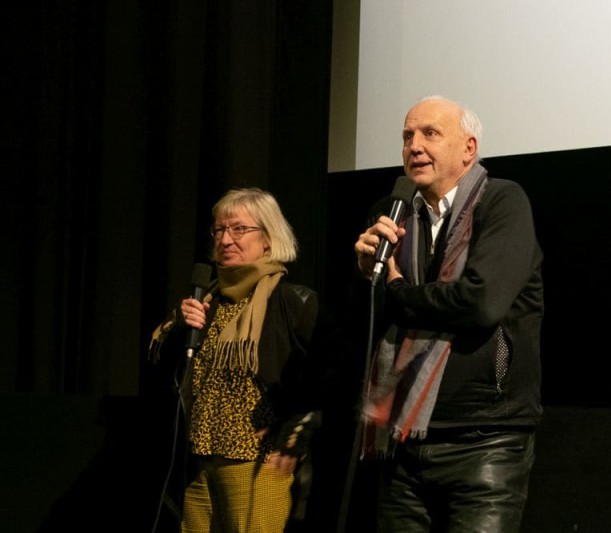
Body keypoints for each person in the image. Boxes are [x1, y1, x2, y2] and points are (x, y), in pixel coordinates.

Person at [352, 95, 545, 532]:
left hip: (485, 438)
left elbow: (479, 303)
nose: (414, 146)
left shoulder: (502, 201)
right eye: (407, 136)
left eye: (430, 134)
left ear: (468, 148)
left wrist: (398, 289)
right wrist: (367, 274)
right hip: (403, 439)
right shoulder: (391, 215)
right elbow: (372, 322)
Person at [149, 187, 346, 533]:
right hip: (199, 465)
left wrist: (294, 432)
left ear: (268, 238)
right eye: (220, 230)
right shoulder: (205, 302)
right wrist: (179, 326)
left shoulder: (293, 301)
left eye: (239, 229)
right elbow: (160, 365)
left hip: (257, 464)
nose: (226, 239)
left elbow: (332, 373)